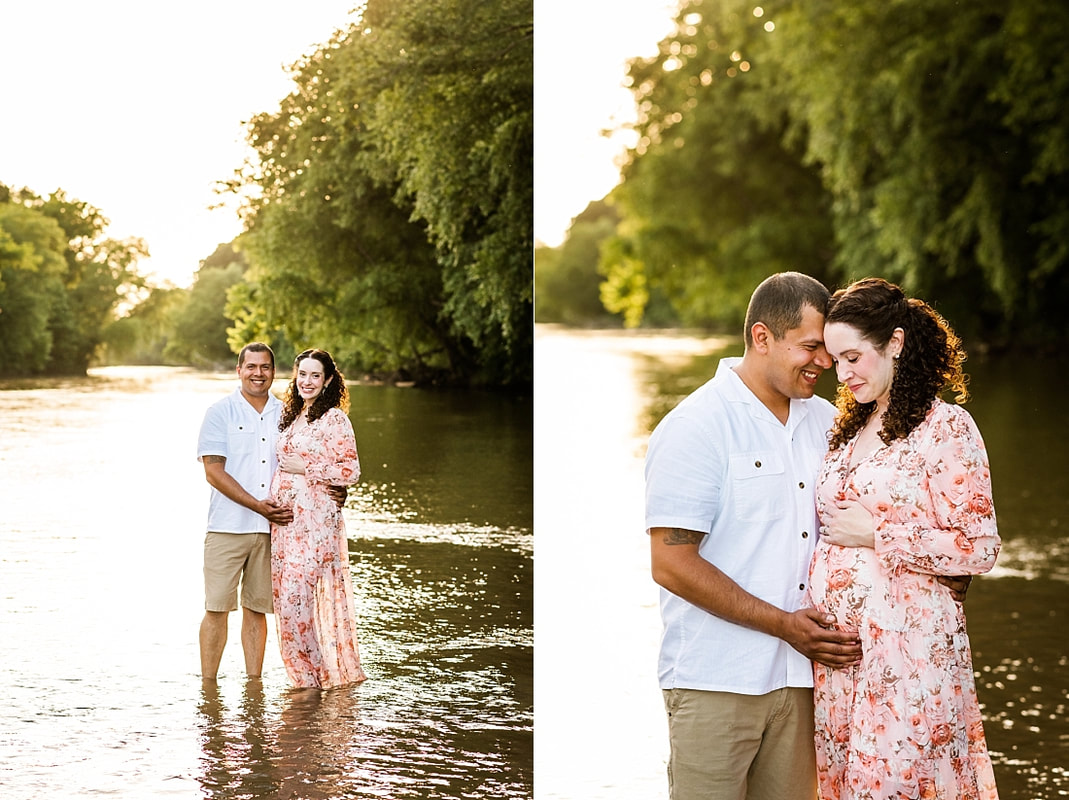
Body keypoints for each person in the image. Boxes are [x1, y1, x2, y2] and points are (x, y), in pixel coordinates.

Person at [645, 272, 864, 800]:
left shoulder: (830, 423)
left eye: (829, 350)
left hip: (806, 682)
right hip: (717, 679)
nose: (825, 363)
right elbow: (671, 562)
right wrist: (784, 625)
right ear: (762, 337)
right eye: (810, 347)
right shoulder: (697, 425)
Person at [810, 277, 1000, 798]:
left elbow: (979, 546)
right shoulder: (847, 429)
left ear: (894, 343)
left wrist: (880, 532)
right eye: (835, 360)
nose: (842, 373)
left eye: (853, 357)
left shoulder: (947, 428)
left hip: (909, 657)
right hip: (841, 663)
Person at [270, 348, 367, 688]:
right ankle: (303, 684)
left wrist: (306, 468)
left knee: (299, 600)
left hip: (316, 524)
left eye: (315, 375)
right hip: (285, 526)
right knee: (286, 604)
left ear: (327, 381)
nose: (307, 381)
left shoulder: (335, 419)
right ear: (294, 378)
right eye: (302, 375)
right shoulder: (293, 416)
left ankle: (317, 679)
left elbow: (350, 470)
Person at [197, 342, 293, 681]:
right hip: (227, 527)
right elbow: (213, 471)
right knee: (217, 608)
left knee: (257, 610)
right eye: (251, 367)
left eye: (265, 367)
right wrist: (257, 505)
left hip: (273, 531)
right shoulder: (220, 412)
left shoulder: (287, 414)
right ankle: (209, 688)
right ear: (239, 370)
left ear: (273, 371)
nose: (258, 373)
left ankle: (255, 687)